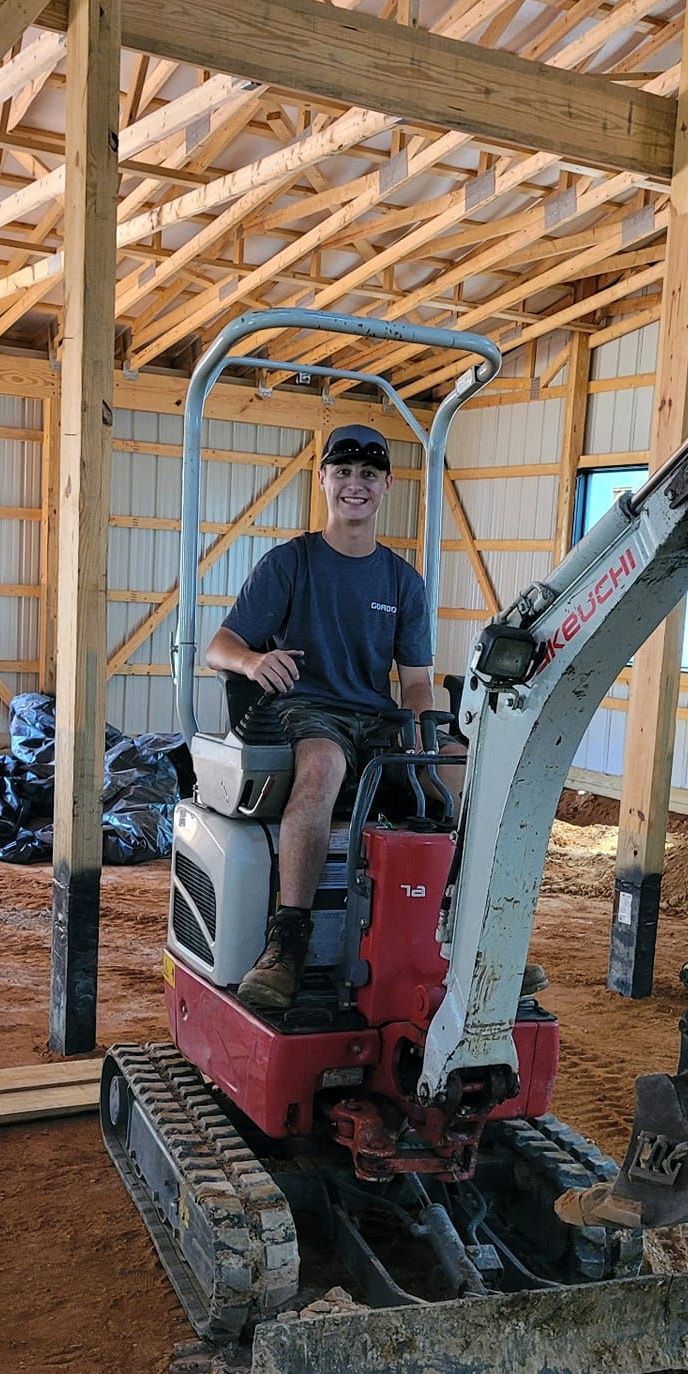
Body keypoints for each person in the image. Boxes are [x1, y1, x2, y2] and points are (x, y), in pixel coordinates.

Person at [205, 421, 441, 1012]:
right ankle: (288, 938)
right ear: (323, 481)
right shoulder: (290, 563)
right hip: (309, 712)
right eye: (343, 473)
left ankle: (461, 932)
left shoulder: (403, 582)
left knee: (459, 770)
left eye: (367, 474)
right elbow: (219, 645)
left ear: (386, 485)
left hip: (376, 718)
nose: (354, 485)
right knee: (324, 766)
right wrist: (254, 659)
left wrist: (422, 732)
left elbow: (416, 683)